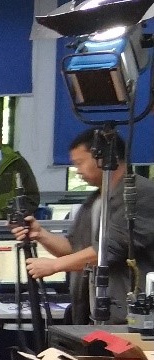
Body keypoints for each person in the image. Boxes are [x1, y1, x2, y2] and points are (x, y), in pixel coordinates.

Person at [11, 129, 154, 324]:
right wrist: (40, 234)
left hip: (131, 316)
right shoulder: (95, 200)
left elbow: (108, 251)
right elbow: (72, 248)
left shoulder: (139, 194)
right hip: (93, 314)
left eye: (80, 162)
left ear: (103, 158)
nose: (77, 170)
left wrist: (54, 266)